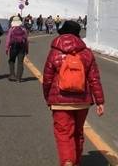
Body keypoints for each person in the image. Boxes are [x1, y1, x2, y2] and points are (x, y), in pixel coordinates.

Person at [42, 20, 105, 166]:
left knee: (64, 134)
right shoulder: (86, 53)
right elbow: (94, 78)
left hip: (60, 101)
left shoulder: (55, 52)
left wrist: (48, 98)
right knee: (78, 133)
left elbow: (47, 79)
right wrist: (100, 101)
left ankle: (67, 162)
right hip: (82, 101)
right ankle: (75, 162)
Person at [6, 15, 29, 82]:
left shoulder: (11, 29)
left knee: (11, 61)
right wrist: (27, 49)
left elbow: (8, 39)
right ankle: (19, 78)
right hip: (22, 47)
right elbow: (26, 40)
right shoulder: (23, 29)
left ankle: (12, 75)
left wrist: (7, 48)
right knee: (20, 62)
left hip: (13, 47)